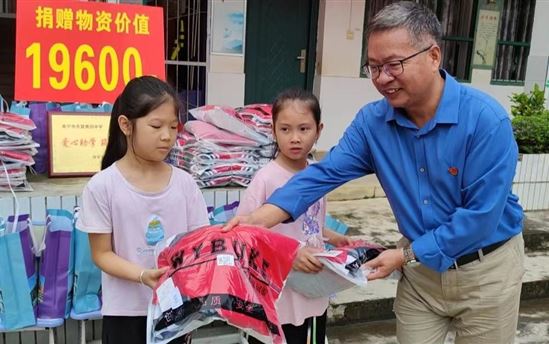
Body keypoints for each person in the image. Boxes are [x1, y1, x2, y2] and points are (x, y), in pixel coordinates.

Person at [225, 2, 525, 343]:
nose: (382, 78)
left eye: (394, 64)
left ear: (433, 56)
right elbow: (324, 173)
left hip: (485, 272)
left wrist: (405, 255)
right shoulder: (372, 123)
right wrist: (260, 218)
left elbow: (480, 217)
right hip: (421, 277)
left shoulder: (485, 121)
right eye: (373, 67)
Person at [77, 76, 209, 344]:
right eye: (156, 126)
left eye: (173, 127)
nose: (167, 136)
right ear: (126, 125)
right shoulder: (103, 186)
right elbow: (101, 254)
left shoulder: (185, 184)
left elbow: (201, 244)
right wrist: (142, 275)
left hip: (175, 309)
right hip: (125, 312)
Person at [237, 88, 351, 344]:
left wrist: (332, 238)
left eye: (304, 129)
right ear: (273, 130)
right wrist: (289, 255)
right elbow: (245, 236)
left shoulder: (318, 176)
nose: (295, 138)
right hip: (278, 296)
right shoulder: (265, 179)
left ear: (319, 130)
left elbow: (312, 224)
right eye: (285, 129)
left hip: (313, 292)